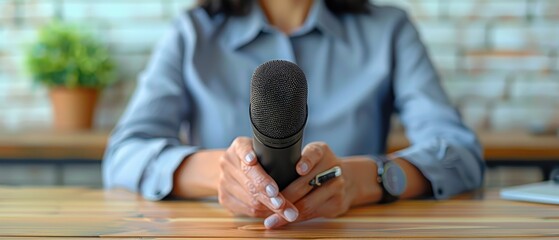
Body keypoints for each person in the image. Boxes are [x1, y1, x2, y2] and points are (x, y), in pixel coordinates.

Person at [103, 0, 484, 229]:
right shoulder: (193, 33)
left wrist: (364, 180)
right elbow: (125, 153)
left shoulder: (389, 31)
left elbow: (459, 153)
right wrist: (220, 172)